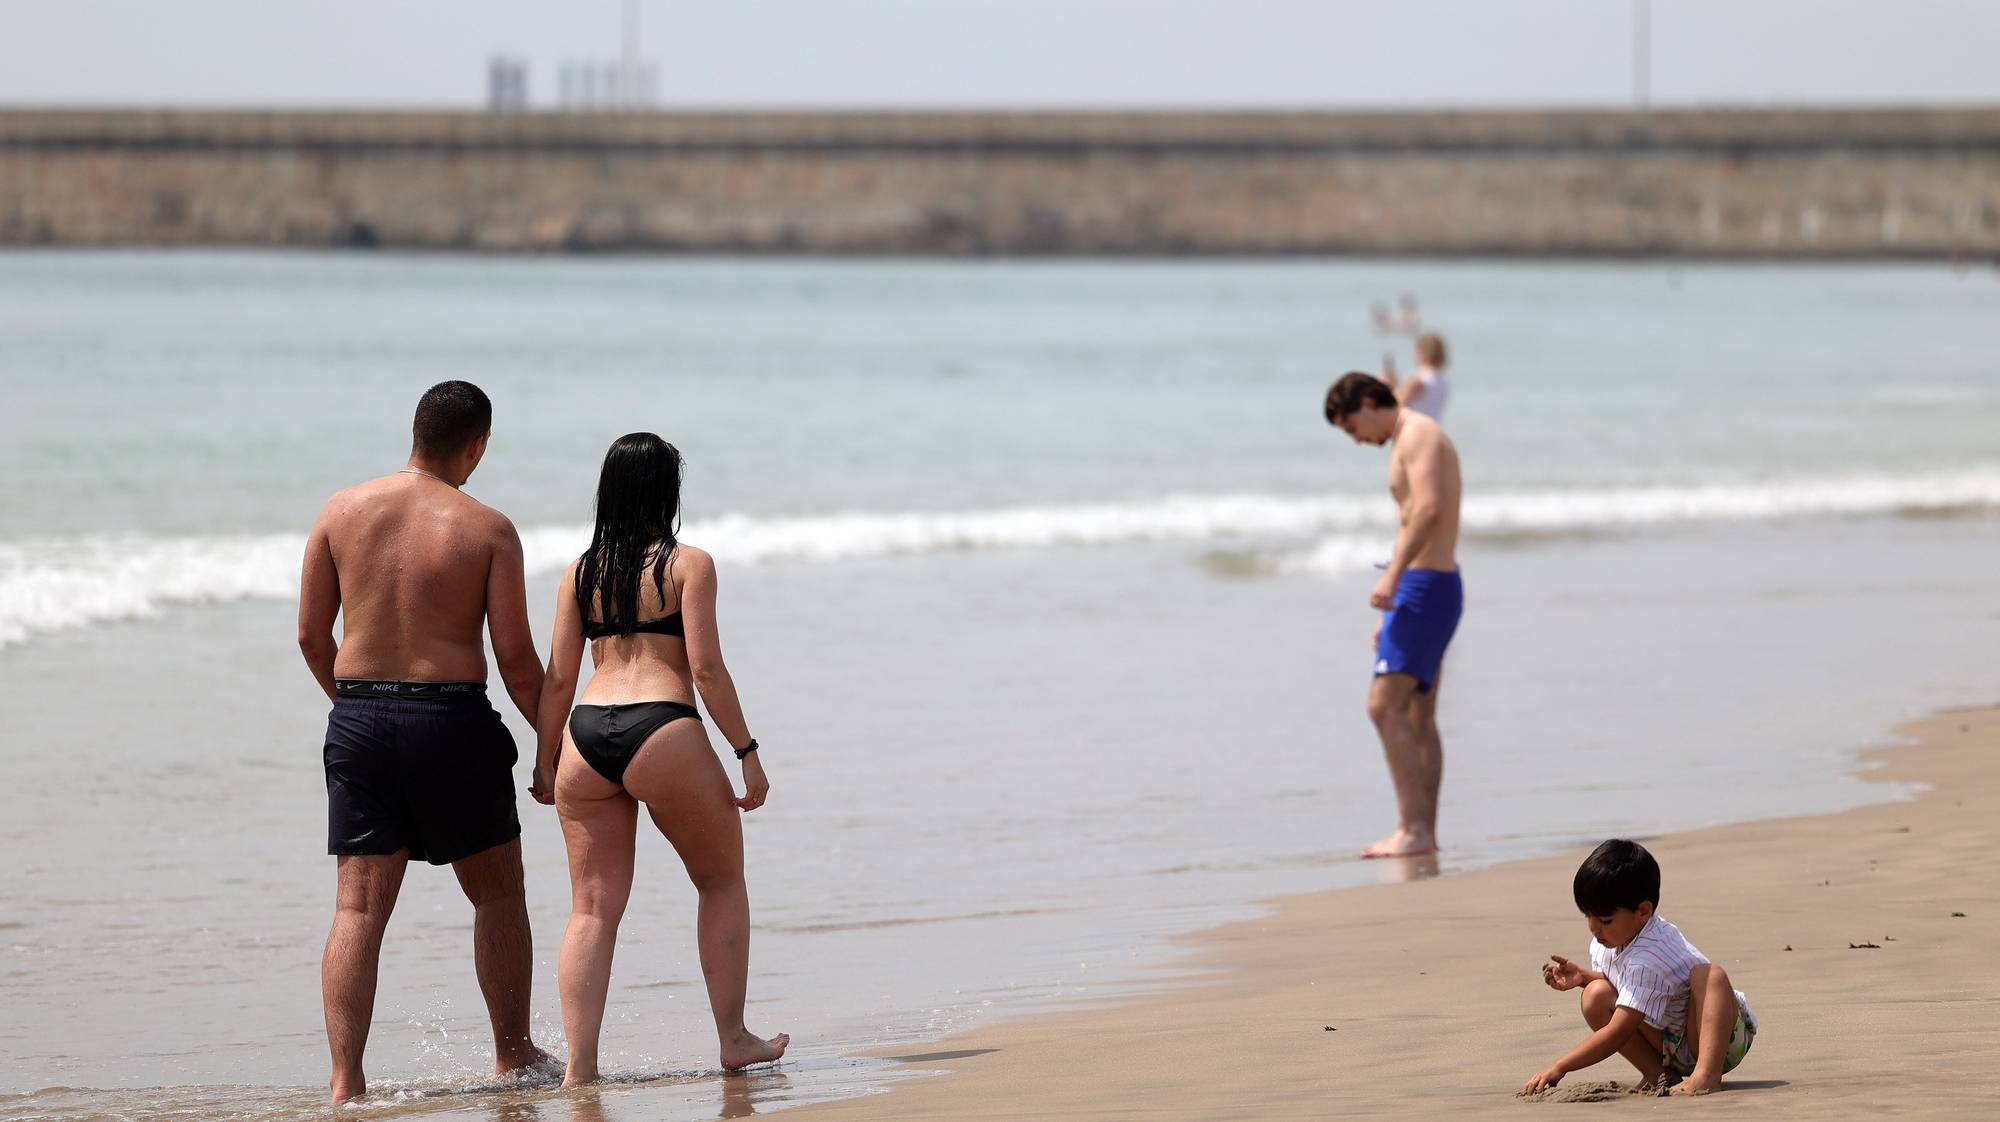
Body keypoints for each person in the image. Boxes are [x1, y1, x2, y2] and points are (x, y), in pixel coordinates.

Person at [297, 380, 551, 1105]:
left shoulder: (339, 513)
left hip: (361, 718)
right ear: (477, 445)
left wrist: (353, 710)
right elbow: (517, 661)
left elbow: (314, 637)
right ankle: (512, 1052)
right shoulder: (487, 528)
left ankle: (346, 1081)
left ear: (416, 433)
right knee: (497, 893)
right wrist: (553, 747)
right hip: (451, 720)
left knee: (356, 908)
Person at [531, 432, 788, 1085]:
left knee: (591, 909)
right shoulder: (687, 564)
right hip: (661, 725)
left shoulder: (580, 571)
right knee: (721, 880)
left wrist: (543, 759)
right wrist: (746, 752)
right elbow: (703, 666)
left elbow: (559, 677)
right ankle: (733, 1039)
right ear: (667, 491)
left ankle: (579, 1068)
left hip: (587, 735)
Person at [1324, 372, 1463, 859]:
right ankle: (1422, 831)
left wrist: (1393, 578)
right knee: (1417, 714)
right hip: (1429, 585)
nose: (1356, 440)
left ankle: (1414, 829)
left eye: (1351, 428)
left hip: (1426, 586)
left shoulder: (1419, 434)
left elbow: (1427, 510)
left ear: (1368, 403)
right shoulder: (1410, 433)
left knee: (1383, 707)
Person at [1523, 840, 1758, 1096]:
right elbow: (1628, 984)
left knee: (1710, 974)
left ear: (1644, 911)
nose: (1594, 928)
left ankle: (1707, 1075)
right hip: (1670, 1041)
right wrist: (1583, 978)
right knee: (1595, 995)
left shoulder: (1648, 956)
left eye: (1605, 920)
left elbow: (1618, 1031)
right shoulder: (1610, 941)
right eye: (1588, 916)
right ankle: (1659, 1074)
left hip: (1721, 1039)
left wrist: (1561, 1066)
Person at [1392, 332, 1451, 422]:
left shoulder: (1418, 380)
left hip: (1414, 431)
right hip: (1434, 429)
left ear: (1422, 352)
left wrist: (1387, 386)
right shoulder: (1443, 381)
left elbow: (1393, 406)